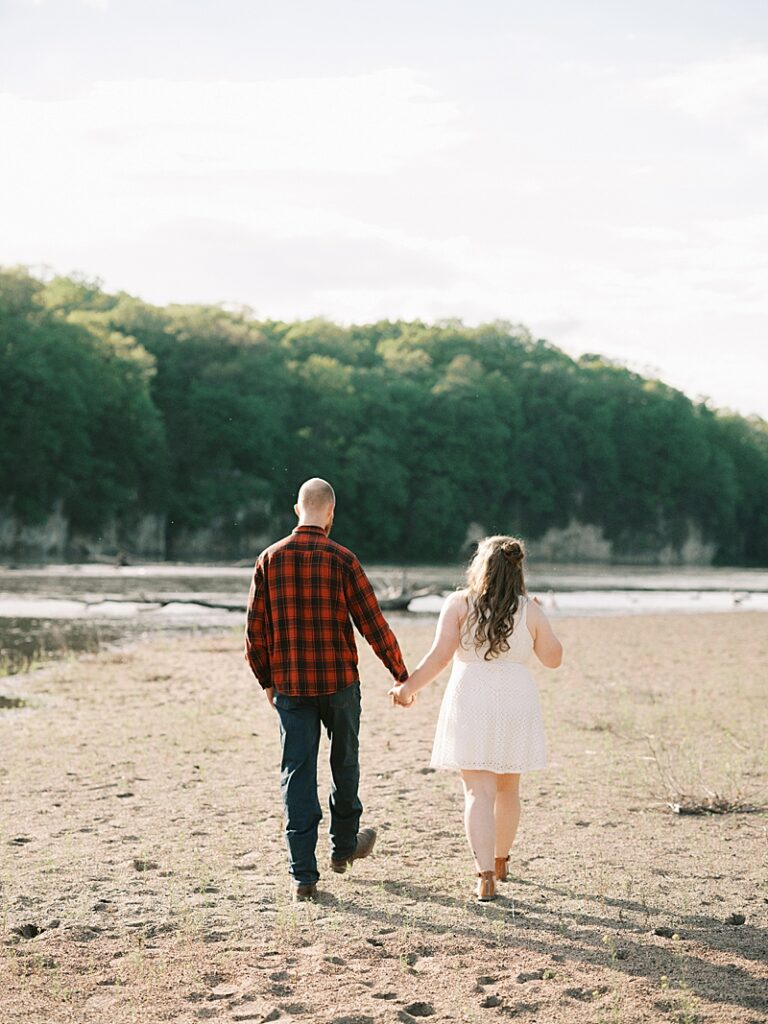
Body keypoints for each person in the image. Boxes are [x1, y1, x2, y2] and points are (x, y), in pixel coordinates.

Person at [245, 478, 410, 901]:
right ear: (330, 514)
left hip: (292, 687)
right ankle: (342, 848)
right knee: (345, 764)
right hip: (339, 683)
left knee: (296, 773)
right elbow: (373, 623)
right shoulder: (343, 560)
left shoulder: (269, 559)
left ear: (297, 509)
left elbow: (254, 634)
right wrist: (399, 672)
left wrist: (267, 680)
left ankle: (304, 876)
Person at [390, 535, 562, 902]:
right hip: (516, 699)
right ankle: (501, 861)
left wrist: (407, 688)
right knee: (508, 789)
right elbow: (553, 658)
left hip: (471, 696)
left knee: (477, 792)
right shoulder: (529, 609)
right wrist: (541, 619)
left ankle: (485, 876)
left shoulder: (459, 604)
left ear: (480, 567)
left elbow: (438, 657)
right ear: (517, 569)